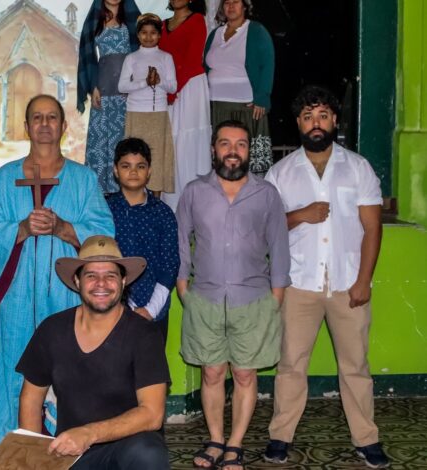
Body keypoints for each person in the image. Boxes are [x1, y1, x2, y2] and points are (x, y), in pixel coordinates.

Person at [0, 94, 115, 460]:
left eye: (53, 117)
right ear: (27, 126)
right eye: (38, 117)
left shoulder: (82, 180)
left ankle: (69, 450)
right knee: (13, 373)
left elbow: (104, 233)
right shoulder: (5, 179)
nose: (46, 124)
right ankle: (13, 451)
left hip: (64, 300)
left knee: (67, 375)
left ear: (64, 127)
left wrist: (65, 228)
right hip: (16, 299)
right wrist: (19, 229)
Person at [263, 86, 390, 468]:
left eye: (322, 116)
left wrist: (364, 280)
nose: (315, 124)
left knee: (355, 366)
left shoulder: (358, 167)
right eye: (307, 117)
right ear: (298, 123)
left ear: (334, 121)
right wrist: (301, 214)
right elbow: (266, 228)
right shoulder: (280, 173)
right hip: (299, 284)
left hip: (348, 283)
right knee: (290, 366)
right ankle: (280, 437)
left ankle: (366, 439)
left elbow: (373, 228)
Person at [176, 120, 290, 470]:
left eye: (240, 144)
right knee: (212, 373)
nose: (232, 151)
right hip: (205, 299)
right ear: (214, 149)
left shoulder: (266, 194)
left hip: (254, 300)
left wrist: (276, 297)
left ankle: (235, 443)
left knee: (244, 375)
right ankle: (215, 439)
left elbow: (279, 246)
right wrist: (184, 289)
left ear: (248, 150)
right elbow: (182, 243)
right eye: (225, 143)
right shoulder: (194, 192)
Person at [17, 235, 169, 470]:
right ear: (77, 281)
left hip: (126, 449)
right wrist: (34, 458)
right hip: (71, 452)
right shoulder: (52, 330)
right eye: (91, 276)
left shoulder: (144, 335)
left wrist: (89, 433)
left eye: (110, 275)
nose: (101, 284)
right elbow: (30, 398)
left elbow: (152, 413)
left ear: (123, 280)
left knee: (148, 453)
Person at [106, 138, 180, 342]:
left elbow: (169, 265)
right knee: (112, 371)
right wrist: (120, 305)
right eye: (126, 166)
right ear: (115, 170)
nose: (133, 172)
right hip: (110, 307)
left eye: (140, 166)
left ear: (149, 171)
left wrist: (150, 309)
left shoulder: (163, 214)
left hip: (153, 312)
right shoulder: (104, 210)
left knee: (150, 372)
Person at [204, 0, 274, 175]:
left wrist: (262, 97)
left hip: (246, 108)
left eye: (236, 1)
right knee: (221, 160)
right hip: (216, 108)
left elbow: (267, 64)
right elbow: (205, 67)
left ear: (244, 6)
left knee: (247, 161)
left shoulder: (257, 31)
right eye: (227, 2)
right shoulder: (215, 33)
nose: (231, 5)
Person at [78, 0, 140, 194]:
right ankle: (99, 197)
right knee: (101, 145)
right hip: (103, 90)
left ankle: (128, 193)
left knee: (126, 140)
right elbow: (87, 55)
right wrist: (92, 86)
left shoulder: (134, 17)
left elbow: (144, 52)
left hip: (129, 91)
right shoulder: (95, 19)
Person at [159, 0, 212, 210]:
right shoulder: (162, 25)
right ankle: (171, 207)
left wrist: (173, 90)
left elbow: (191, 60)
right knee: (171, 145)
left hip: (190, 88)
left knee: (188, 143)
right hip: (169, 90)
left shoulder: (198, 20)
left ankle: (194, 207)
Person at [118, 13, 177, 196]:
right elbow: (122, 86)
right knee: (134, 157)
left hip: (158, 115)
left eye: (153, 33)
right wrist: (145, 82)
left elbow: (173, 87)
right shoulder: (132, 58)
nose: (148, 37)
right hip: (135, 113)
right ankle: (133, 200)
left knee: (156, 158)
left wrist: (158, 81)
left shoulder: (166, 57)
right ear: (138, 35)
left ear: (159, 35)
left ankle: (155, 204)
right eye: (144, 33)